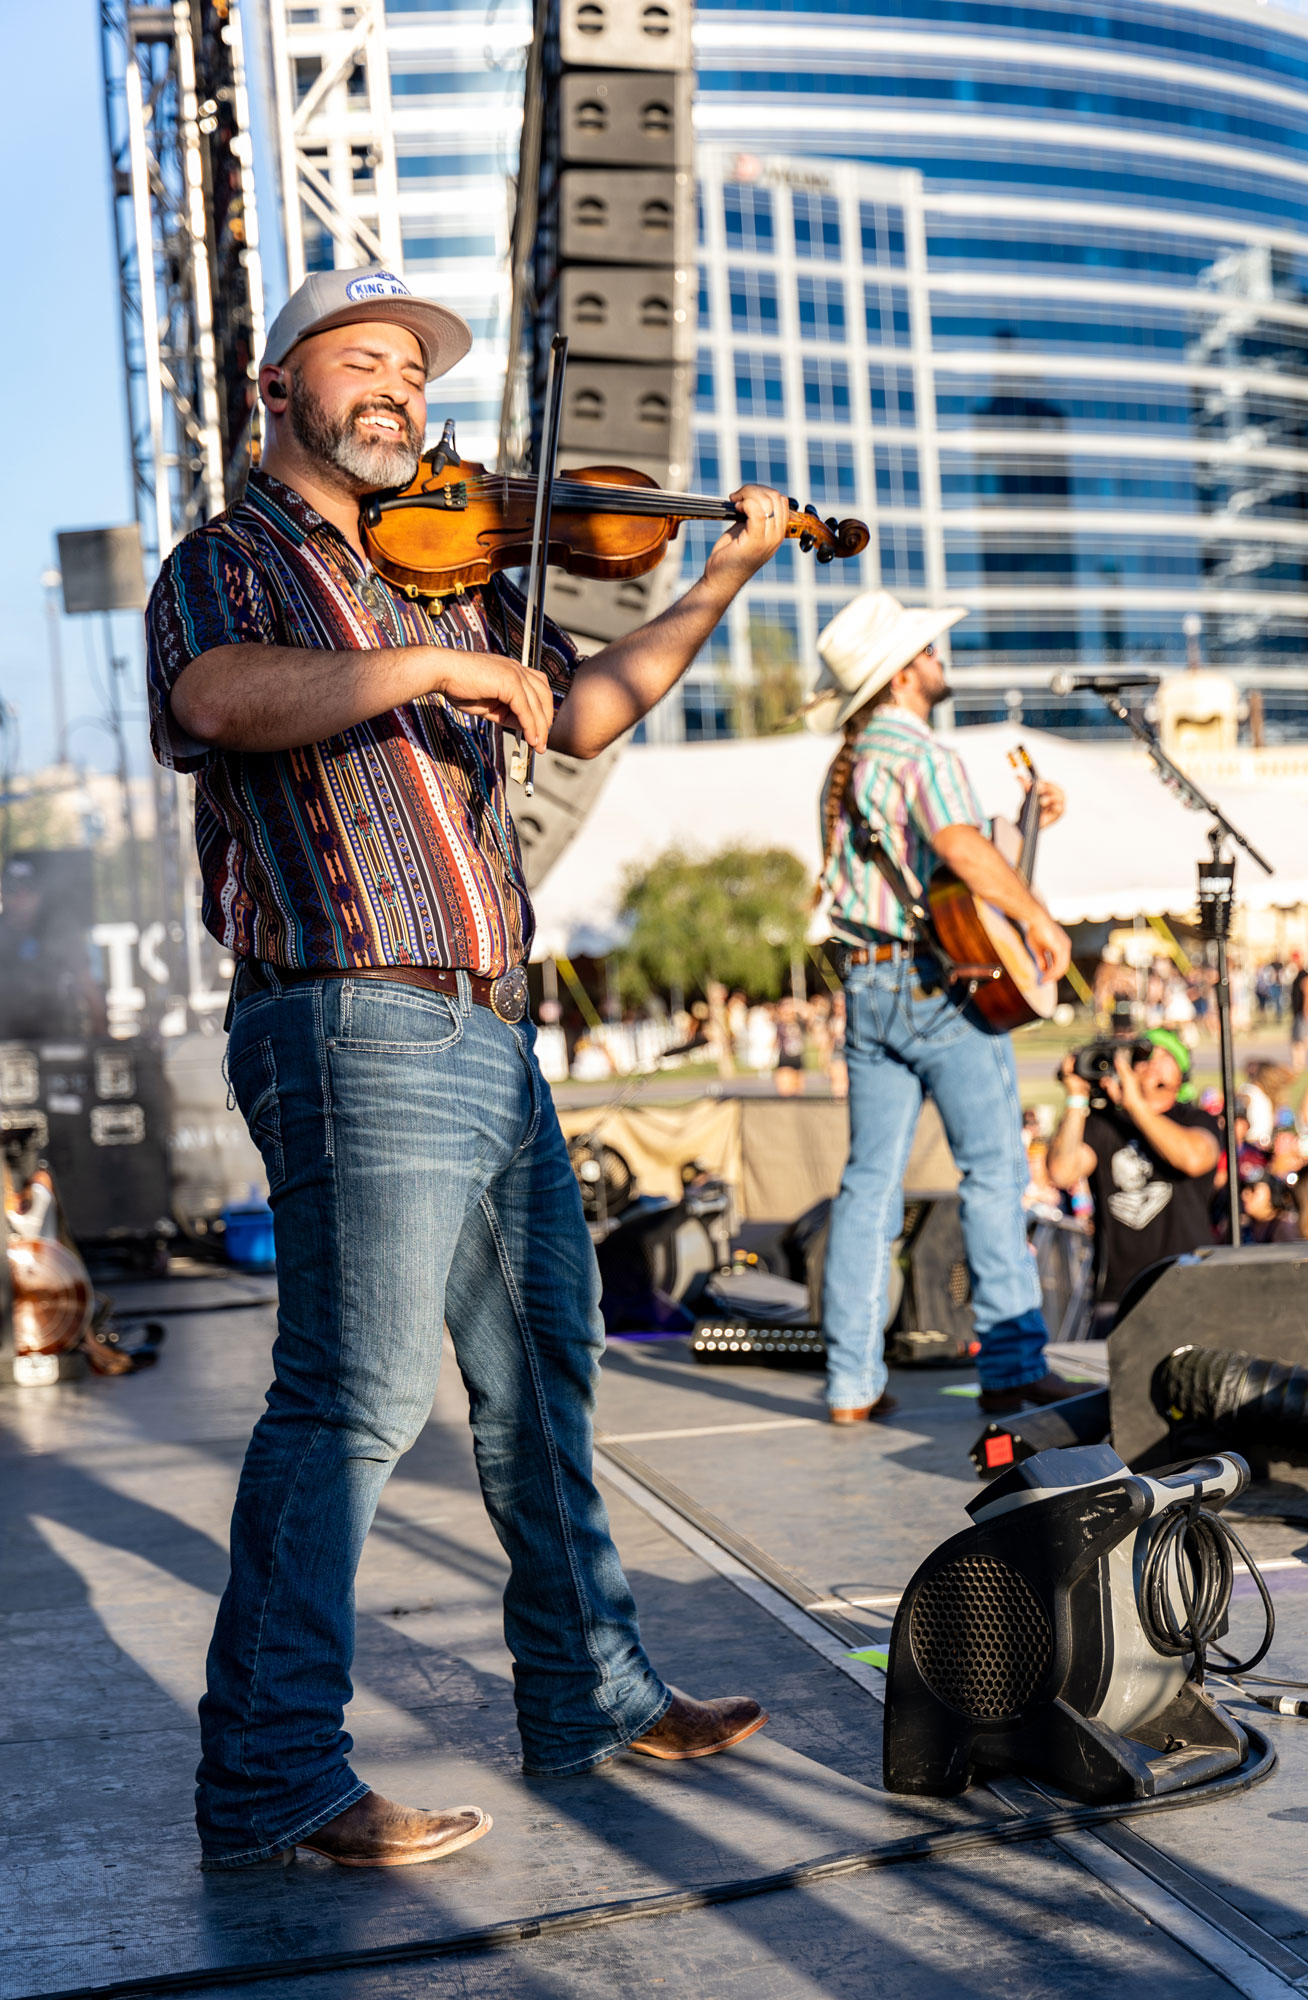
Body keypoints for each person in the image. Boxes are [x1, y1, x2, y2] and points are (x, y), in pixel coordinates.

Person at [145, 266, 791, 1872]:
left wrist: (723, 577)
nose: (398, 392)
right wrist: (428, 674)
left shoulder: (452, 577)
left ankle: (587, 1689)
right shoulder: (234, 562)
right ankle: (272, 1774)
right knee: (352, 1401)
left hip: (488, 1029)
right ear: (279, 385)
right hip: (354, 1013)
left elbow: (584, 713)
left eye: (415, 373)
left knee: (540, 1380)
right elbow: (217, 698)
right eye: (361, 361)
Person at [808, 591, 1074, 1423]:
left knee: (868, 1185)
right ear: (901, 674)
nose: (937, 661)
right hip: (936, 986)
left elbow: (935, 862)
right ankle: (1010, 1366)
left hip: (868, 982)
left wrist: (1020, 825)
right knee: (993, 1170)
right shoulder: (923, 755)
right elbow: (957, 853)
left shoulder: (852, 764)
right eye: (925, 652)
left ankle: (851, 1382)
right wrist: (1036, 915)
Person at [1047, 1027, 1220, 1329]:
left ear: (1181, 1075)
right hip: (1118, 1292)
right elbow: (1062, 1171)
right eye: (1143, 1057)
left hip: (1187, 1280)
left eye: (1166, 1056)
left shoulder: (1195, 1119)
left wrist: (1135, 1104)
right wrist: (1076, 1099)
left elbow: (1193, 1158)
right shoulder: (1105, 1123)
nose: (1152, 1062)